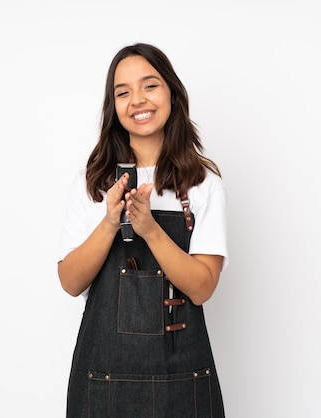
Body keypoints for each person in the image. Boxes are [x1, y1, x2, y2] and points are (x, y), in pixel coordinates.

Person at [57, 42, 228, 417]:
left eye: (149, 85)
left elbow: (202, 288)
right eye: (123, 92)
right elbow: (70, 282)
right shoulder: (93, 182)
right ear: (113, 107)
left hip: (181, 379)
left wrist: (149, 228)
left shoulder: (201, 183)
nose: (137, 100)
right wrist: (110, 222)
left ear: (171, 92)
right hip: (103, 379)